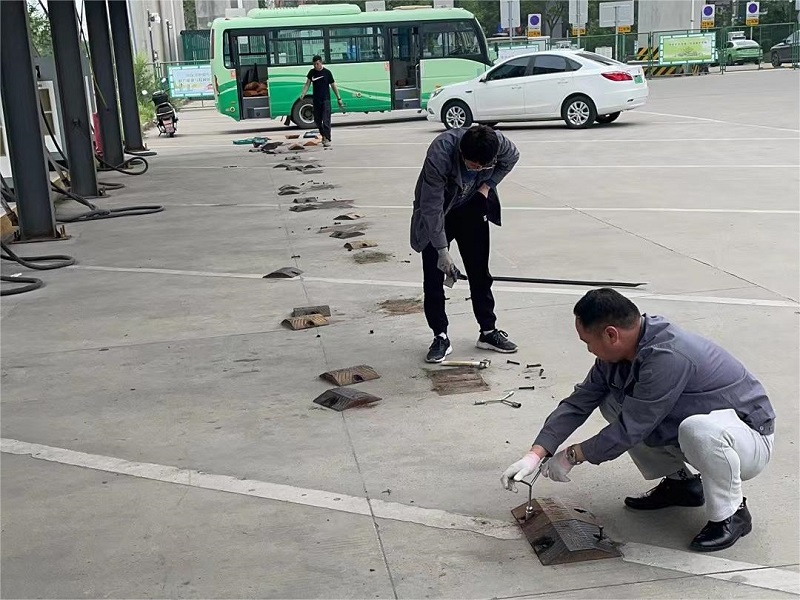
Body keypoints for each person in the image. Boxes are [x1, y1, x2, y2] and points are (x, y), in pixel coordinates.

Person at [501, 288, 776, 552]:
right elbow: (579, 402)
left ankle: (732, 513)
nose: (589, 350)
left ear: (611, 334)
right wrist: (535, 455)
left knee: (697, 430)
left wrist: (573, 455)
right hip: (701, 427)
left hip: (747, 439)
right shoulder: (620, 353)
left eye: (587, 342)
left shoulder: (667, 356)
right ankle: (682, 485)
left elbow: (631, 428)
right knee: (614, 401)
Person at [410, 125, 520, 363]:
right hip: (439, 210)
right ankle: (440, 336)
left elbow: (512, 158)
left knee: (479, 271)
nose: (476, 169)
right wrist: (442, 251)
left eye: (482, 167)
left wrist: (487, 186)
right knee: (433, 275)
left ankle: (488, 331)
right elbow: (431, 206)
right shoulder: (440, 153)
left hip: (471, 205)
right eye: (472, 165)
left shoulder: (498, 144)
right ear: (461, 153)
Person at [299, 55, 343, 147]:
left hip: (326, 100)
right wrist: (303, 93)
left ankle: (327, 138)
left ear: (321, 63)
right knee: (317, 120)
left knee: (326, 120)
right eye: (314, 64)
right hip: (316, 100)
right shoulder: (312, 72)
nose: (316, 66)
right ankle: (323, 135)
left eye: (317, 64)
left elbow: (333, 86)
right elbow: (307, 84)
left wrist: (339, 98)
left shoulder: (327, 73)